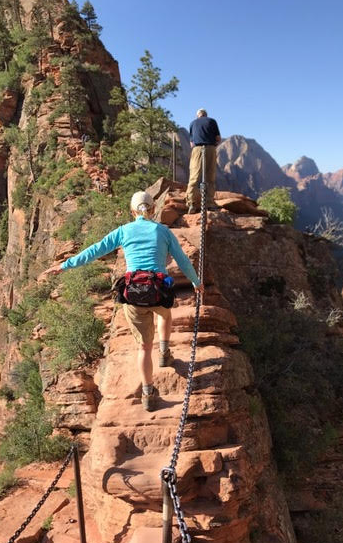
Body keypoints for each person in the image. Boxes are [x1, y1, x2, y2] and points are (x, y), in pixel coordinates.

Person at [42, 191, 204, 411]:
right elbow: (183, 260)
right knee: (165, 313)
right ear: (153, 209)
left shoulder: (123, 231)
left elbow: (95, 250)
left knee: (144, 348)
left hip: (133, 295)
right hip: (158, 292)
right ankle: (165, 353)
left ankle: (148, 394)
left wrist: (64, 265)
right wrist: (196, 282)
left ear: (132, 211)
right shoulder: (162, 231)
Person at [186, 108, 221, 213]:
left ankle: (191, 203)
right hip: (210, 148)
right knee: (210, 176)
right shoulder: (212, 121)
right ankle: (209, 203)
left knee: (194, 177)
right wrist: (213, 146)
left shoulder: (192, 123)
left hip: (197, 150)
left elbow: (191, 143)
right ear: (206, 115)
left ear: (198, 115)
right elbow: (218, 138)